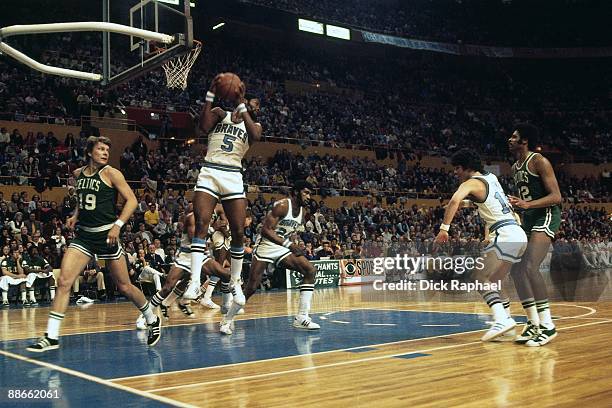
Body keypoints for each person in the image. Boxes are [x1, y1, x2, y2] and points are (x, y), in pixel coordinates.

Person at [27, 136, 161, 352]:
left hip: (106, 236)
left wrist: (118, 225)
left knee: (124, 287)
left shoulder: (111, 173)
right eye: (100, 149)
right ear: (90, 152)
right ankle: (51, 336)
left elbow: (133, 201)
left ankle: (150, 318)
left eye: (107, 149)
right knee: (63, 281)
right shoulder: (78, 174)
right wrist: (75, 215)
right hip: (84, 237)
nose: (105, 152)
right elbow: (84, 199)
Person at [184, 74, 262, 307]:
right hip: (210, 170)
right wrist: (210, 92)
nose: (253, 105)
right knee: (201, 223)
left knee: (238, 231)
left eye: (255, 106)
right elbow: (203, 126)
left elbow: (256, 137)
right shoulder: (220, 113)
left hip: (232, 175)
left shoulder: (254, 125)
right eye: (252, 102)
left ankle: (235, 281)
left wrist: (242, 103)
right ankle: (194, 282)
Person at [434, 149, 527, 342]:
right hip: (517, 232)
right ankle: (508, 324)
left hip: (505, 233)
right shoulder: (491, 177)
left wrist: (444, 229)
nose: (455, 172)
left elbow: (454, 200)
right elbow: (486, 201)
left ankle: (501, 319)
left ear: (467, 167)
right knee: (494, 280)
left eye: (457, 168)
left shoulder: (470, 183)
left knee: (478, 276)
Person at [221, 181, 320, 335]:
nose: (309, 196)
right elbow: (265, 230)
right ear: (295, 192)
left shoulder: (301, 212)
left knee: (310, 270)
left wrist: (294, 244)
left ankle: (301, 316)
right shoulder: (282, 206)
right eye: (306, 192)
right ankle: (227, 319)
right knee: (252, 287)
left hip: (281, 247)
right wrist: (289, 244)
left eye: (310, 193)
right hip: (265, 246)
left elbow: (288, 232)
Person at [508, 124, 562, 346]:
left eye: (514, 136)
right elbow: (524, 201)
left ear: (525, 141)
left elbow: (556, 196)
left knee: (530, 267)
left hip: (546, 214)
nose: (509, 139)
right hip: (530, 217)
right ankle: (533, 323)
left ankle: (548, 325)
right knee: (517, 270)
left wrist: (527, 205)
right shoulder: (514, 167)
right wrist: (516, 205)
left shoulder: (538, 161)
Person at [137, 205, 234, 328]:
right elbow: (195, 238)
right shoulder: (191, 216)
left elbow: (224, 217)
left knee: (225, 275)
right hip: (186, 255)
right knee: (168, 287)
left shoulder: (215, 209)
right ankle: (145, 316)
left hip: (201, 256)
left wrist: (225, 224)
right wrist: (213, 228)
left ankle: (225, 309)